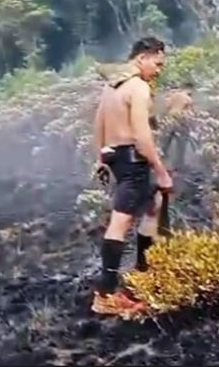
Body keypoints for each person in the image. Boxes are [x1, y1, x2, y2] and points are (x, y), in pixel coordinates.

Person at [91, 36, 173, 315]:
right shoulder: (138, 87)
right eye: (157, 63)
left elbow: (99, 122)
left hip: (115, 156)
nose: (159, 70)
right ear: (142, 58)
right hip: (132, 160)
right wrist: (161, 171)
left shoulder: (111, 85)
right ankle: (106, 293)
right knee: (121, 222)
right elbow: (142, 136)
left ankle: (142, 275)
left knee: (153, 206)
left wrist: (101, 158)